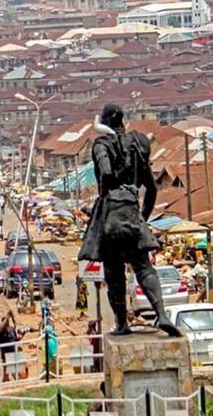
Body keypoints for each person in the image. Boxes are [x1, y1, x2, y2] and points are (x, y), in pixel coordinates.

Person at [77, 103, 180, 337]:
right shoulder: (138, 145)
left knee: (113, 272)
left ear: (105, 122)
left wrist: (106, 186)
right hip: (132, 210)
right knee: (143, 266)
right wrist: (143, 218)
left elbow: (105, 171)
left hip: (110, 213)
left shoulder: (102, 144)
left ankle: (122, 323)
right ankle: (161, 314)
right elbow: (151, 189)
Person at [0, 310, 24, 381]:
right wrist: (7, 317)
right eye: (5, 322)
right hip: (5, 354)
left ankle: (17, 381)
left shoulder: (11, 329)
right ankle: (8, 381)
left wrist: (20, 337)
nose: (6, 323)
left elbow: (15, 339)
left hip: (13, 353)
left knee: (13, 372)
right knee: (6, 374)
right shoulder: (1, 331)